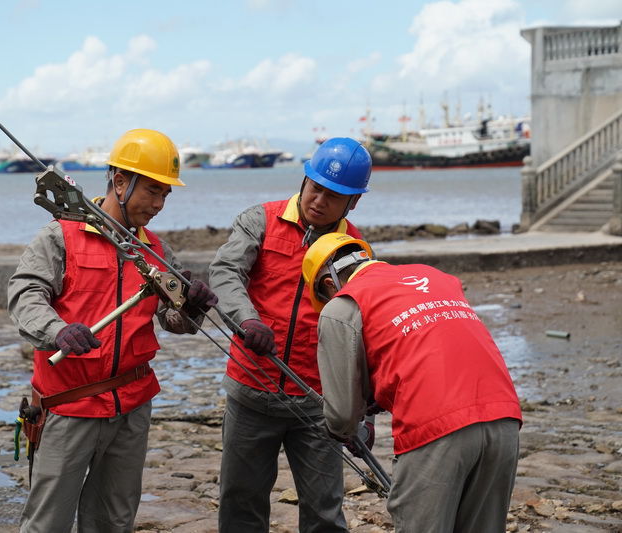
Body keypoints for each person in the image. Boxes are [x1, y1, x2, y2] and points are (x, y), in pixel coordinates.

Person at [8, 128, 218, 533]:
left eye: (165, 195)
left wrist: (191, 309)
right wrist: (57, 330)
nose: (158, 204)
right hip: (68, 406)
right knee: (47, 523)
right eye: (152, 191)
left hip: (132, 410)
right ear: (120, 181)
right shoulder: (60, 236)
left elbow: (174, 321)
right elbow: (24, 295)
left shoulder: (156, 250)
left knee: (114, 521)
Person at [302, 233, 523, 533]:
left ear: (329, 284)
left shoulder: (341, 306)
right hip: (504, 416)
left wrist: (349, 429)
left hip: (435, 428)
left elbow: (341, 415)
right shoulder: (434, 277)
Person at [209, 137, 372, 532]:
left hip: (318, 403)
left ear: (353, 202)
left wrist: (361, 411)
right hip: (251, 391)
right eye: (316, 188)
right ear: (304, 179)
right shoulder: (259, 220)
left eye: (334, 196)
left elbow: (362, 327)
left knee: (324, 513)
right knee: (240, 505)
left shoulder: (354, 249)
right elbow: (225, 273)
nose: (319, 201)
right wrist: (247, 320)